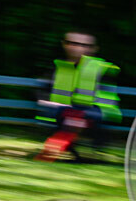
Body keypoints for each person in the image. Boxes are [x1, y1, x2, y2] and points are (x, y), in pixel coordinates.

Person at [36, 30, 121, 160]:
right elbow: (42, 91)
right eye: (72, 43)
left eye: (84, 45)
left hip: (94, 111)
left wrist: (87, 111)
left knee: (77, 117)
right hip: (62, 110)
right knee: (70, 116)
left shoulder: (103, 68)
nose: (78, 48)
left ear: (94, 49)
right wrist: (45, 101)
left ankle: (52, 153)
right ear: (64, 44)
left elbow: (107, 100)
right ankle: (60, 151)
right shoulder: (56, 66)